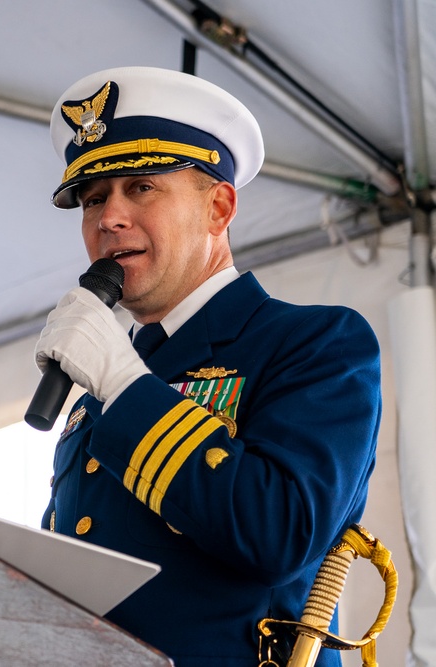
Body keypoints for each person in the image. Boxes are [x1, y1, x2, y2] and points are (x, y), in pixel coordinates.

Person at [34, 66, 381, 667]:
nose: (107, 217)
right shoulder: (105, 387)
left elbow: (280, 531)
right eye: (93, 199)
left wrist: (122, 382)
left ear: (219, 207)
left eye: (140, 187)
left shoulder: (317, 342)